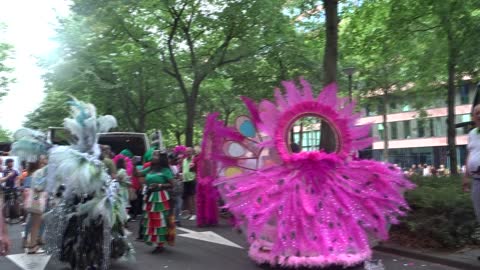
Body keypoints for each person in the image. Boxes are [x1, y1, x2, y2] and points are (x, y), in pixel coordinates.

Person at [138, 150, 175, 253]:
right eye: (153, 154)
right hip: (150, 197)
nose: (153, 156)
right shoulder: (150, 169)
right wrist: (133, 164)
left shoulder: (165, 170)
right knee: (152, 220)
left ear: (161, 158)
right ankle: (157, 242)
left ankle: (160, 244)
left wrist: (159, 185)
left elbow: (173, 184)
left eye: (156, 155)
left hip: (160, 197)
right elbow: (138, 174)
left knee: (160, 221)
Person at [463, 104, 480, 260]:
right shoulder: (472, 133)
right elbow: (470, 154)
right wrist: (466, 176)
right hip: (476, 180)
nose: (479, 115)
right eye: (476, 113)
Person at [182, 147, 197, 220]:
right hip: (185, 180)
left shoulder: (195, 159)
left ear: (192, 152)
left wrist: (196, 177)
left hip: (192, 180)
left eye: (189, 151)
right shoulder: (184, 160)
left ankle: (194, 213)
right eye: (187, 152)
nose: (188, 153)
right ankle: (190, 213)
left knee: (193, 197)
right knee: (188, 197)